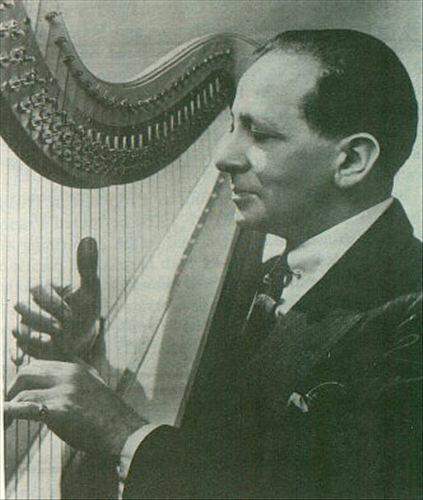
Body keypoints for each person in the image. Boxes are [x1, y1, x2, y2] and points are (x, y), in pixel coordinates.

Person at [5, 29, 422, 498]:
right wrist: (87, 350)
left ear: (352, 160)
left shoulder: (410, 312)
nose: (224, 157)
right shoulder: (268, 279)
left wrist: (126, 436)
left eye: (260, 134)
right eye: (231, 127)